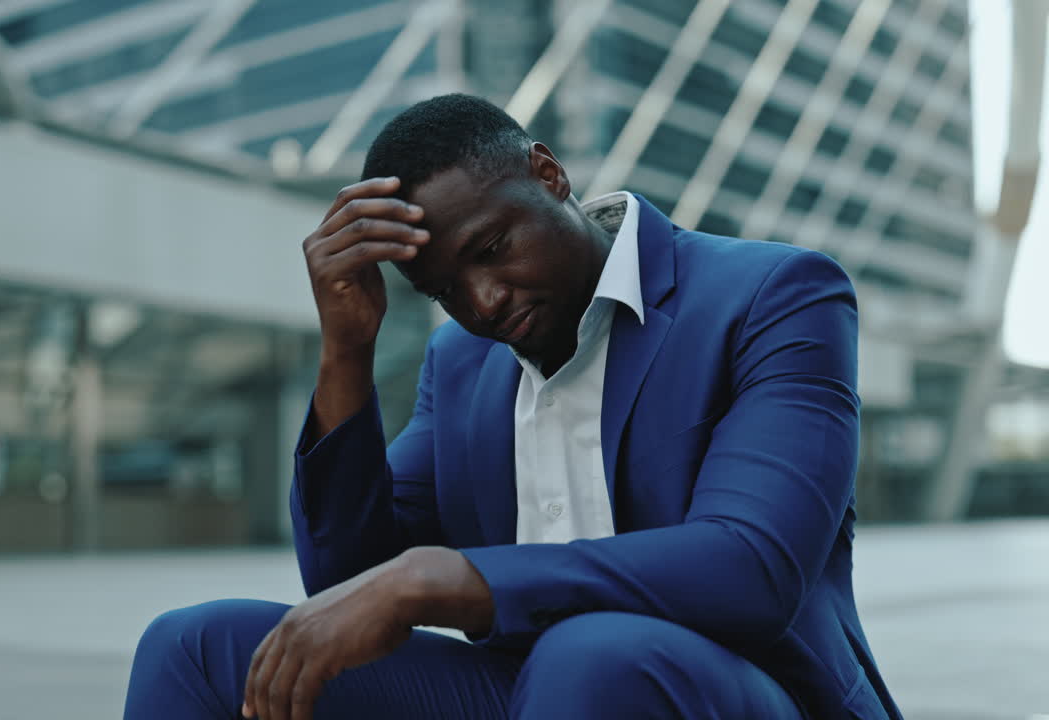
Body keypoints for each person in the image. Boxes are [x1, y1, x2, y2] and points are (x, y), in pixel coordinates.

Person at [124, 94, 902, 720]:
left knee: (589, 656)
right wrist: (346, 351)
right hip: (527, 693)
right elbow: (345, 584)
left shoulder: (771, 296)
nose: (484, 301)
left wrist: (446, 580)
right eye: (443, 290)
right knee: (193, 645)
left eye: (492, 248)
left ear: (548, 173)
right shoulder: (461, 364)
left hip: (754, 691)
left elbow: (751, 570)